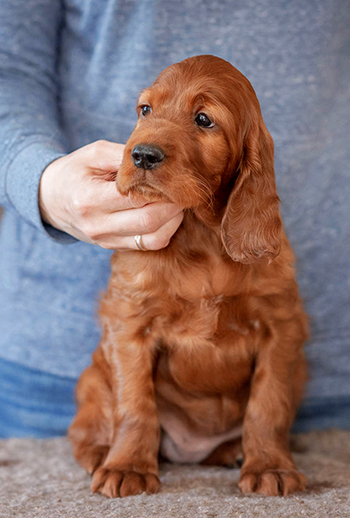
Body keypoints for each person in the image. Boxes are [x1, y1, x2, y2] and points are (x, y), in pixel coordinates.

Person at [0, 0, 349, 438]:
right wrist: (43, 183)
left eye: (204, 121)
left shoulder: (266, 270)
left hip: (323, 390)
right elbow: (7, 65)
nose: (146, 144)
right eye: (146, 110)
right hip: (55, 375)